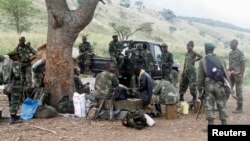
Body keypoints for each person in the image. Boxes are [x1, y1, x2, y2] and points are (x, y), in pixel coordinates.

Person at [197, 43, 229, 126]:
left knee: (209, 105)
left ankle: (210, 124)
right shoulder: (221, 59)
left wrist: (199, 90)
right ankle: (224, 123)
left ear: (206, 49)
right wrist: (227, 86)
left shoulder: (203, 60)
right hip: (220, 84)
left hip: (208, 85)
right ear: (213, 50)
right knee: (221, 104)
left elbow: (200, 77)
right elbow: (225, 74)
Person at [228, 39, 246, 113]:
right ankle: (221, 105)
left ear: (236, 44)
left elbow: (243, 64)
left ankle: (240, 107)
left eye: (232, 43)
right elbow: (231, 64)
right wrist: (228, 70)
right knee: (227, 88)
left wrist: (241, 73)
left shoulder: (240, 53)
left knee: (238, 91)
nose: (230, 44)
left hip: (238, 74)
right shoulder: (230, 53)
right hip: (231, 74)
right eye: (230, 43)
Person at [7, 52, 24, 124]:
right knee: (15, 101)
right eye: (16, 55)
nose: (17, 56)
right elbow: (17, 75)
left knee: (11, 101)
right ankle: (13, 118)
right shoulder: (15, 63)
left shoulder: (8, 63)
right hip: (15, 85)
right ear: (13, 56)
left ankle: (13, 115)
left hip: (9, 85)